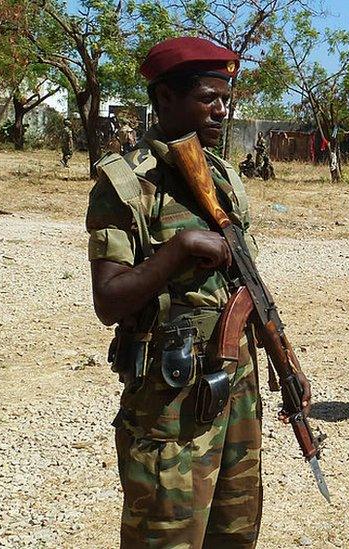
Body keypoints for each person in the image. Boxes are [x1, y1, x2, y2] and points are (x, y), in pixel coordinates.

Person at [86, 36, 312, 547]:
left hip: (236, 386)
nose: (222, 109)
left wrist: (286, 364)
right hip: (172, 400)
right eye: (209, 97)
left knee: (234, 532)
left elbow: (246, 284)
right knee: (166, 535)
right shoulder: (124, 184)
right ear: (165, 98)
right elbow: (110, 299)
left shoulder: (224, 176)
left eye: (226, 98)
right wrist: (181, 247)